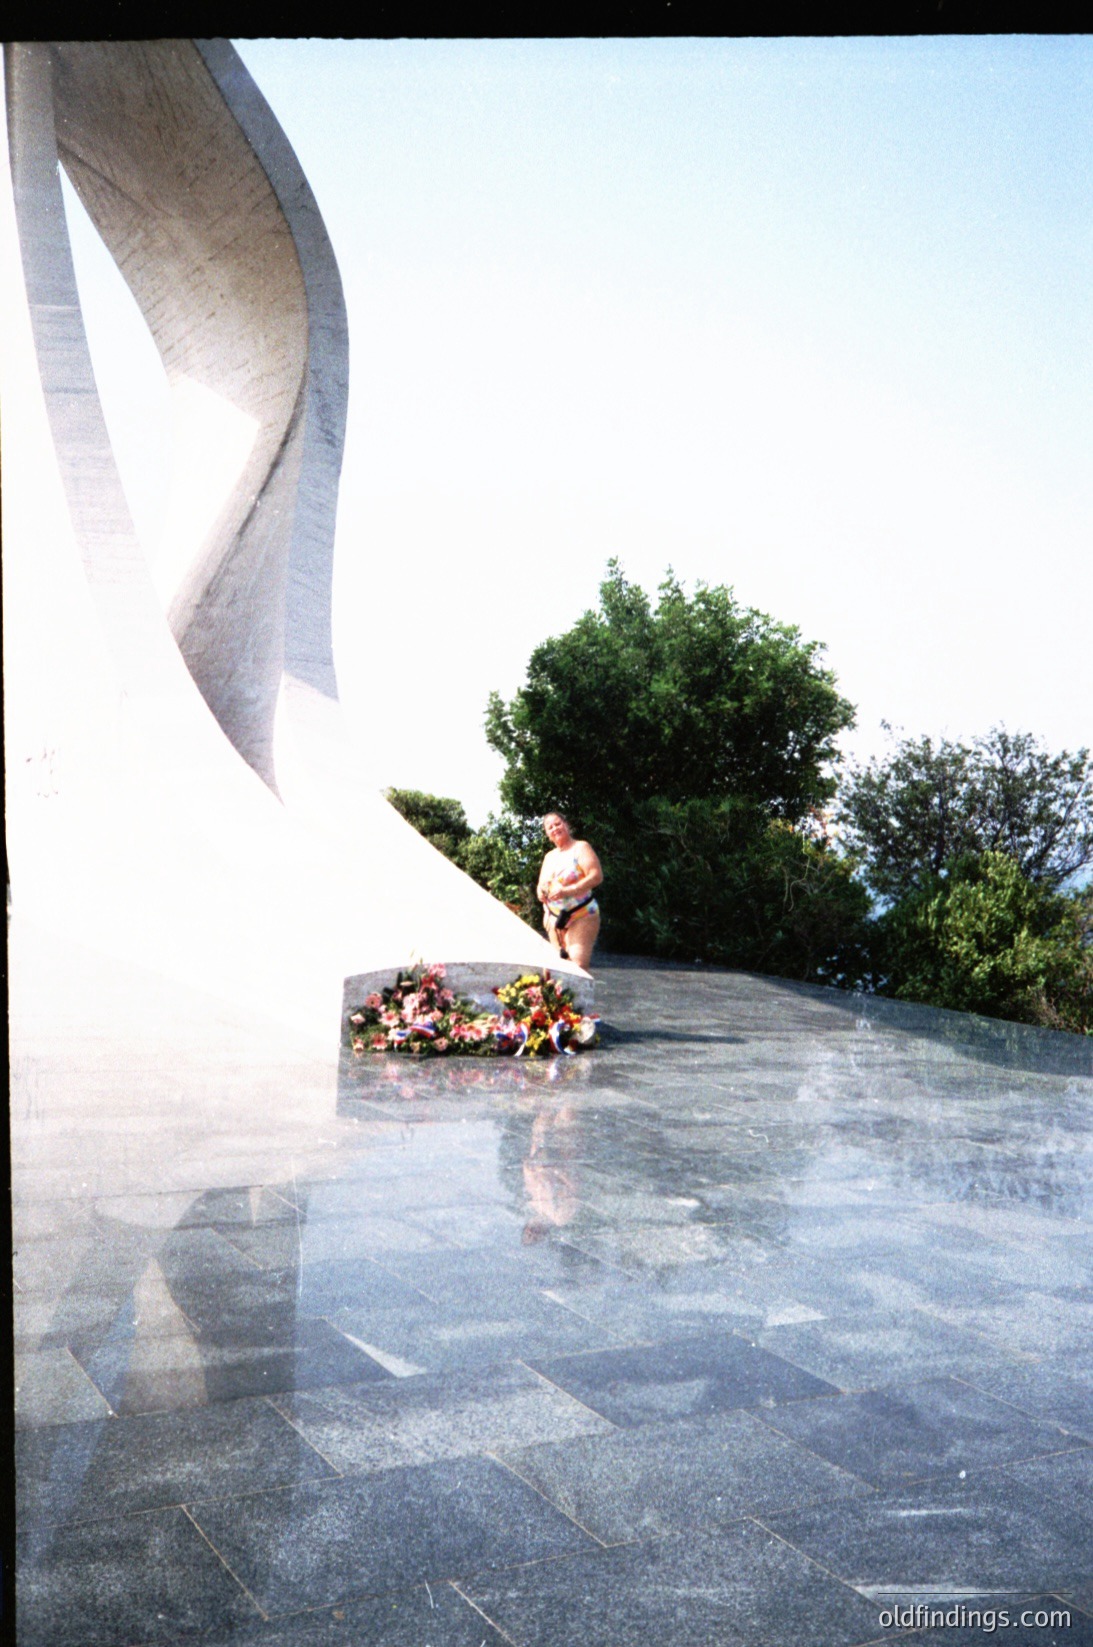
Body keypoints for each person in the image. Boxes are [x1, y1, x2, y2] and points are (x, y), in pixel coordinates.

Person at [537, 811, 603, 970]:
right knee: (558, 967)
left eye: (558, 824)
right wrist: (541, 892)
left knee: (577, 965)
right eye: (550, 827)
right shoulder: (549, 857)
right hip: (555, 918)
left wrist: (569, 890)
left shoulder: (581, 847)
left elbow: (596, 876)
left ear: (566, 825)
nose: (555, 828)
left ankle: (580, 994)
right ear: (547, 834)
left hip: (582, 913)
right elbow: (540, 886)